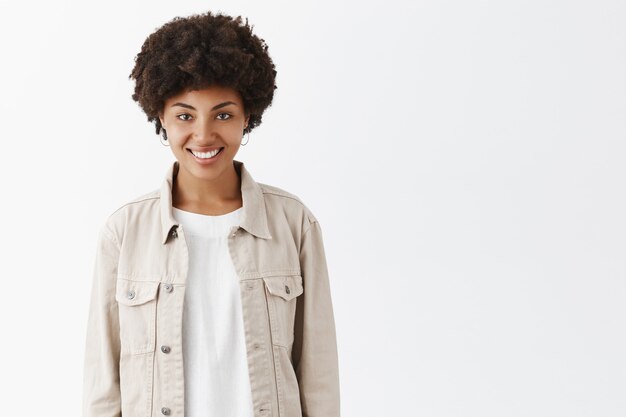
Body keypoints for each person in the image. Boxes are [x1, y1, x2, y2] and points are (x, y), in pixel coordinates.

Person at [82, 11, 340, 417]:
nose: (203, 135)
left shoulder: (294, 224)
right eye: (185, 115)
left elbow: (318, 374)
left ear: (247, 118)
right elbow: (103, 383)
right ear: (161, 119)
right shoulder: (124, 232)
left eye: (223, 114)